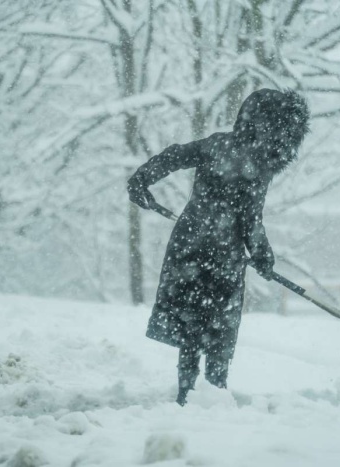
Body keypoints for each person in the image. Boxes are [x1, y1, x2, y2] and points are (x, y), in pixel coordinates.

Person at [127, 88, 310, 406]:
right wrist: (263, 255)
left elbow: (174, 155)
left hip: (189, 246)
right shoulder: (258, 162)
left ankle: (187, 390)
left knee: (191, 324)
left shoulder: (217, 144)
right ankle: (214, 391)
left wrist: (142, 179)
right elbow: (250, 218)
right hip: (223, 256)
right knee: (219, 328)